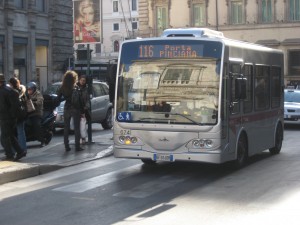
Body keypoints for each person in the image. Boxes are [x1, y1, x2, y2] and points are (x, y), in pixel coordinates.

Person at [0, 74, 26, 161]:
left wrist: (10, 115)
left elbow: (10, 106)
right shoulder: (8, 90)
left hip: (6, 118)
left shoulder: (4, 91)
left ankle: (10, 154)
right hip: (9, 117)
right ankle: (20, 151)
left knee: (4, 137)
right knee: (10, 135)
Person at [57, 70, 84, 152]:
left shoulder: (62, 87)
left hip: (67, 108)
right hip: (75, 108)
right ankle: (77, 146)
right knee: (76, 128)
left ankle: (66, 146)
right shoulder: (76, 87)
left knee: (66, 128)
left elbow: (58, 99)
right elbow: (80, 100)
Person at [9, 77, 27, 154]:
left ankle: (15, 150)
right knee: (21, 132)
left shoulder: (12, 92)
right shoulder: (22, 91)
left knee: (13, 133)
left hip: (15, 115)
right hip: (22, 114)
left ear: (11, 84)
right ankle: (23, 148)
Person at [26, 82, 45, 147]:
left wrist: (34, 103)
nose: (29, 91)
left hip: (36, 113)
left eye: (30, 89)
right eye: (28, 89)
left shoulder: (38, 94)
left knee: (36, 125)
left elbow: (40, 101)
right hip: (28, 113)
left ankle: (42, 141)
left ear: (34, 89)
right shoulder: (27, 94)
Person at [77, 75, 90, 144]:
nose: (82, 82)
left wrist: (86, 107)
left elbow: (87, 99)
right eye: (81, 80)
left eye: (84, 81)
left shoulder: (86, 89)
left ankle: (83, 138)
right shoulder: (76, 88)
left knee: (82, 124)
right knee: (76, 125)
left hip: (83, 109)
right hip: (76, 109)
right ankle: (80, 137)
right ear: (79, 80)